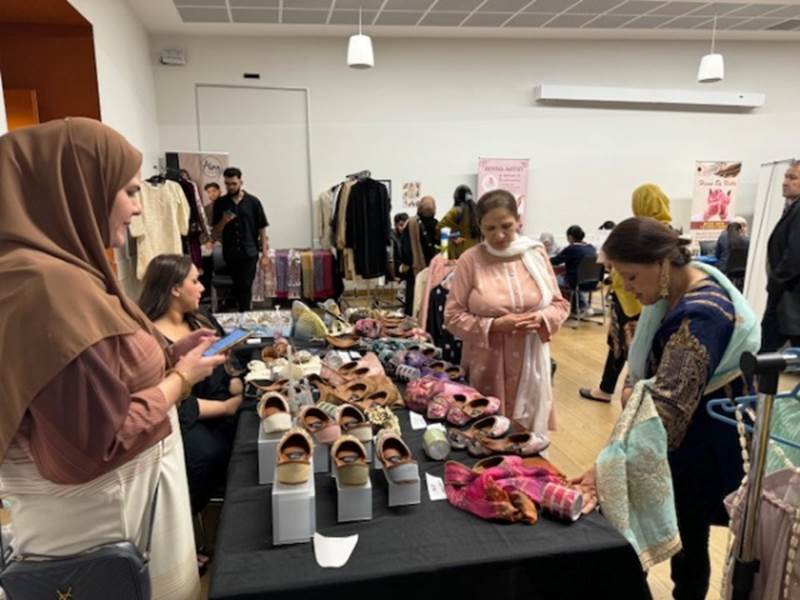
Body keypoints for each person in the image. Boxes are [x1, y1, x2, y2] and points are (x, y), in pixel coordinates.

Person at [0, 118, 226, 599]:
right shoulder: (48, 287)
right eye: (127, 190)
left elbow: (98, 372)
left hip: (114, 521)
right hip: (103, 527)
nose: (139, 207)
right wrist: (180, 381)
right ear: (79, 190)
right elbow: (95, 441)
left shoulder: (62, 274)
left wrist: (167, 355)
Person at [572, 217, 759, 600]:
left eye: (630, 276)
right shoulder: (679, 290)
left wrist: (607, 468)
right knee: (689, 531)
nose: (627, 287)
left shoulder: (702, 314)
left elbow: (667, 413)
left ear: (661, 262)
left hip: (707, 437)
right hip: (693, 428)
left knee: (689, 527)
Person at [444, 190, 570, 433]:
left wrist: (542, 318)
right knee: (486, 432)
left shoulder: (535, 253)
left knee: (524, 438)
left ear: (518, 221)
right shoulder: (471, 260)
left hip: (530, 361)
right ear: (480, 226)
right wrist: (496, 325)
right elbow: (452, 316)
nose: (499, 235)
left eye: (506, 226)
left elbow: (560, 304)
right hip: (487, 362)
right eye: (490, 228)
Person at [139, 254, 243, 517]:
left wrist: (234, 379)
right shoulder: (151, 339)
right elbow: (176, 402)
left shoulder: (199, 319)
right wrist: (227, 407)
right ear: (175, 288)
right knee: (205, 455)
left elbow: (227, 356)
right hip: (190, 419)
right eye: (195, 281)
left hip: (223, 405)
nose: (202, 288)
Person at [580, 183, 672, 403]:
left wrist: (620, 279)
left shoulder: (644, 234)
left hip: (633, 304)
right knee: (631, 347)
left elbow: (625, 276)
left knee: (626, 347)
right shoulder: (668, 230)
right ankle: (618, 390)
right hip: (652, 305)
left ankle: (616, 391)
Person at [212, 167, 269, 311]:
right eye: (227, 184)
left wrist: (265, 255)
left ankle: (244, 315)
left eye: (233, 184)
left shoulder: (253, 202)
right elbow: (215, 233)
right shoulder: (220, 203)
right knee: (237, 287)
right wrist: (224, 221)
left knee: (245, 286)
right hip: (230, 254)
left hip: (250, 252)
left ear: (241, 182)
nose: (230, 187)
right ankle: (240, 315)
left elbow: (262, 229)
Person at [761, 160, 800, 352]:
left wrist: (775, 281)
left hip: (788, 300)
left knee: (762, 358)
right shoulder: (793, 208)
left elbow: (795, 256)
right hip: (786, 299)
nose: (785, 182)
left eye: (793, 178)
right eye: (785, 176)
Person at [400, 196, 438, 315]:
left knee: (414, 298)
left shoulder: (410, 224)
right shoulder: (437, 225)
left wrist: (406, 264)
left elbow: (405, 249)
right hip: (435, 269)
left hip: (415, 269)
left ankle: (412, 324)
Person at [550, 225, 597, 313]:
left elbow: (555, 261)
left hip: (576, 283)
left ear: (570, 237)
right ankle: (581, 305)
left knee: (551, 280)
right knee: (574, 279)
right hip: (593, 282)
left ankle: (559, 308)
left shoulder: (572, 248)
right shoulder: (591, 247)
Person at [437, 184, 481, 259]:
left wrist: (455, 235)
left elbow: (440, 229)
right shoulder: (479, 211)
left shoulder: (455, 211)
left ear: (456, 197)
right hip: (476, 252)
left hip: (459, 254)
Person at [388, 212, 409, 281]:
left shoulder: (407, 235)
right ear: (395, 225)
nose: (403, 228)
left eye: (405, 225)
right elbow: (390, 260)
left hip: (403, 272)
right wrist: (393, 277)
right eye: (401, 225)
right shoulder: (391, 237)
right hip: (395, 274)